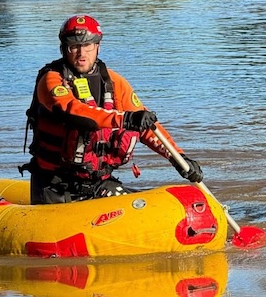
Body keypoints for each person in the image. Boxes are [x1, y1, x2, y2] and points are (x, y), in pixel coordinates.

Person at [23, 15, 203, 204]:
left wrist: (178, 158)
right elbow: (74, 112)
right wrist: (125, 119)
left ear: (97, 46)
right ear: (64, 49)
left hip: (97, 184)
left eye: (88, 46)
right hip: (55, 188)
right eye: (74, 47)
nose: (81, 53)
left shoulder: (114, 82)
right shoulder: (51, 80)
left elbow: (147, 127)